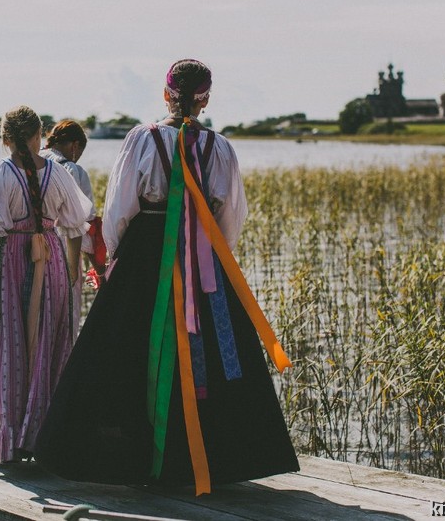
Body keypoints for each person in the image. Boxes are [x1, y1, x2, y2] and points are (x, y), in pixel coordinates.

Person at [35, 60, 298, 495]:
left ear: (165, 95)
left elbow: (121, 207)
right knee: (211, 355)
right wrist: (212, 259)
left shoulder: (142, 139)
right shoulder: (221, 147)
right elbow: (230, 214)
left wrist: (119, 259)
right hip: (203, 257)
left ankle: (129, 457)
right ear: (206, 98)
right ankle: (212, 460)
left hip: (146, 254)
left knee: (131, 345)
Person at [0, 105, 93, 463]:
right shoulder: (59, 172)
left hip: (10, 261)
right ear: (39, 136)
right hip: (50, 260)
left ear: (5, 139)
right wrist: (70, 275)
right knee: (47, 347)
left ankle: (3, 436)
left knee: (6, 346)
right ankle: (41, 434)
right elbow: (74, 228)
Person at [40, 120, 105, 327]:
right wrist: (96, 270)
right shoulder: (72, 170)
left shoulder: (31, 159)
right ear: (75, 146)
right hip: (61, 252)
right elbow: (82, 227)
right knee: (63, 321)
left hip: (25, 248)